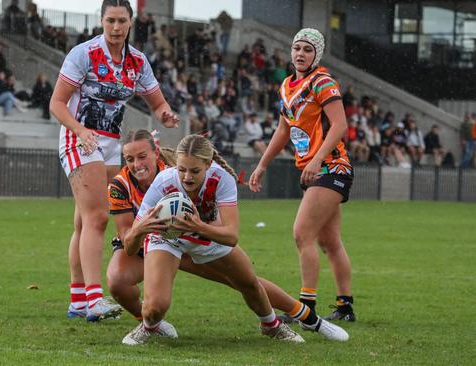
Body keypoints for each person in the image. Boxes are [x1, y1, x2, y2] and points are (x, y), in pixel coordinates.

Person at [109, 132, 348, 344]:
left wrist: (198, 226)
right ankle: (148, 325)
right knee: (155, 306)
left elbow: (232, 236)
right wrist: (141, 229)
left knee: (249, 282)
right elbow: (128, 245)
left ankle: (275, 325)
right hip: (167, 239)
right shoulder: (155, 182)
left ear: (208, 164)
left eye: (194, 171)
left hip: (204, 234)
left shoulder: (220, 178)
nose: (187, 177)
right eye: (182, 170)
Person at [49, 0, 179, 323]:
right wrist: (79, 131)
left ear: (131, 22)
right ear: (102, 21)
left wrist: (165, 114)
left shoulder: (137, 61)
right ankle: (94, 300)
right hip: (80, 137)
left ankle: (78, 299)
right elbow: (57, 103)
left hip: (110, 144)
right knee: (98, 218)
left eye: (122, 21)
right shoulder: (84, 54)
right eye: (111, 21)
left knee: (83, 223)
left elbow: (157, 103)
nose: (116, 27)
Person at [249, 28, 357, 323]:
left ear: (316, 55)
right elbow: (284, 130)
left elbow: (339, 126)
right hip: (314, 169)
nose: (300, 53)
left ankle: (305, 308)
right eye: (297, 47)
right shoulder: (286, 85)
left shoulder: (322, 82)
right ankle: (345, 306)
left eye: (307, 49)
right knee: (329, 242)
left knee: (302, 233)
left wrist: (317, 160)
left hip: (331, 167)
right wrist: (261, 165)